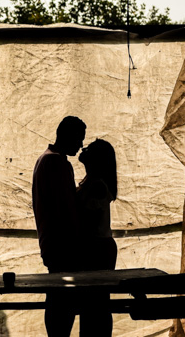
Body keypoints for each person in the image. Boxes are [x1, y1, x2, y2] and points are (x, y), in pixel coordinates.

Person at [32, 115, 86, 337]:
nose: (81, 145)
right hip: (62, 243)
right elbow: (66, 209)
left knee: (57, 295)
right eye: (79, 138)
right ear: (68, 135)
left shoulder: (45, 159)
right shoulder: (57, 163)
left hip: (51, 241)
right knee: (63, 299)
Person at [75, 139, 119, 337]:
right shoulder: (92, 182)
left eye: (90, 149)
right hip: (96, 246)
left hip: (97, 248)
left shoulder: (97, 186)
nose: (84, 149)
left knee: (96, 302)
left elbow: (87, 221)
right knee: (94, 302)